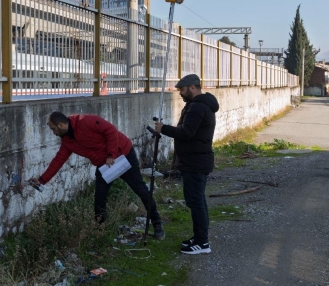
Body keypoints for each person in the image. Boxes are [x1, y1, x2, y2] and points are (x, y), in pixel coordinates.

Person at [30, 111, 165, 239]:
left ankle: (157, 224)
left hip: (123, 154)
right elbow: (58, 160)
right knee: (99, 196)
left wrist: (111, 154)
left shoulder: (85, 121)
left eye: (53, 129)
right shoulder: (67, 141)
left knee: (140, 189)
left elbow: (110, 131)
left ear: (60, 124)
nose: (53, 133)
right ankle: (100, 230)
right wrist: (42, 180)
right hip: (104, 164)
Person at [154, 74, 219, 255]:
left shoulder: (197, 107)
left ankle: (202, 243)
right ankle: (199, 237)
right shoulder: (201, 105)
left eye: (182, 89)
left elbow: (186, 133)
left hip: (195, 163)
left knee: (196, 202)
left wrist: (163, 128)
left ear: (192, 87)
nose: (180, 93)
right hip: (196, 161)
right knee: (197, 201)